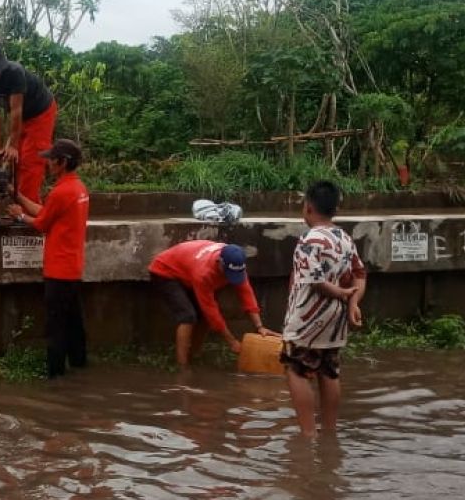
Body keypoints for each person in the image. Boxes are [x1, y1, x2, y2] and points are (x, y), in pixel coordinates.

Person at [281, 180, 367, 439]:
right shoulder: (344, 237)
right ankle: (329, 432)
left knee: (296, 369)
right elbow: (360, 274)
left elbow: (316, 282)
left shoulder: (308, 239)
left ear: (308, 207)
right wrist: (352, 302)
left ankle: (308, 434)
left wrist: (341, 293)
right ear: (335, 210)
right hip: (336, 318)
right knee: (329, 371)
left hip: (308, 316)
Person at [7, 139, 90, 378]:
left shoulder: (62, 191)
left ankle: (55, 375)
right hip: (73, 266)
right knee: (74, 321)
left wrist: (19, 216)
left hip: (58, 269)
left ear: (62, 163)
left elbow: (42, 223)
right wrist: (19, 197)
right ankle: (79, 365)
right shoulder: (78, 189)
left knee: (56, 326)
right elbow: (47, 212)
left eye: (52, 160)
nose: (48, 164)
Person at [148, 241, 279, 366]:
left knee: (204, 318)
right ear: (219, 263)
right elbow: (211, 311)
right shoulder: (204, 274)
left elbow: (246, 293)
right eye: (228, 274)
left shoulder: (236, 262)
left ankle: (195, 355)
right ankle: (182, 367)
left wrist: (259, 326)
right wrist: (231, 341)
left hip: (187, 267)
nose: (230, 278)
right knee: (188, 316)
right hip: (165, 271)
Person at [0, 41, 57, 204]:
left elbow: (16, 111)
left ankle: (27, 213)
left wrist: (12, 145)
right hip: (19, 117)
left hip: (40, 113)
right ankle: (18, 206)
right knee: (11, 160)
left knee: (30, 161)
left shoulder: (14, 72)